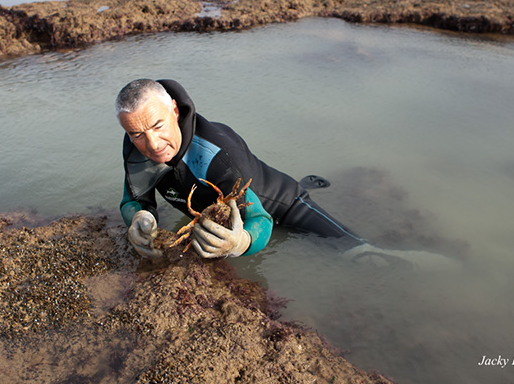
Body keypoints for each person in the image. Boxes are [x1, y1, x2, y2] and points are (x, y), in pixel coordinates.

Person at [116, 79, 365, 259]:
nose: (153, 144)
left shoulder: (219, 155)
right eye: (137, 134)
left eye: (158, 126)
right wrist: (139, 217)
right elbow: (134, 200)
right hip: (218, 213)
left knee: (355, 250)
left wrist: (240, 243)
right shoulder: (134, 148)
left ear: (174, 109)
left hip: (283, 205)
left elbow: (260, 218)